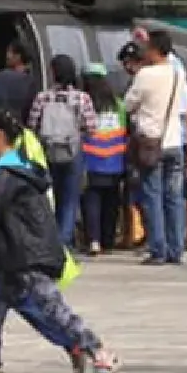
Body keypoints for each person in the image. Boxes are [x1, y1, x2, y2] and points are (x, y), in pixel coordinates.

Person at [0, 112, 120, 373]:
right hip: (17, 256)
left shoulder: (4, 174)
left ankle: (98, 352)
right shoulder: (20, 168)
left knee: (55, 311)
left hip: (27, 257)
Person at [124, 29, 187, 266]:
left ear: (154, 50)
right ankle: (176, 249)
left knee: (152, 196)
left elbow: (128, 104)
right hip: (175, 141)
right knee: (174, 197)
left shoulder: (145, 75)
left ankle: (158, 249)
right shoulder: (178, 73)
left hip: (151, 143)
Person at [28, 55, 95, 248]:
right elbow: (91, 127)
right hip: (73, 151)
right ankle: (64, 242)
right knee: (70, 198)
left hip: (48, 151)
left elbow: (33, 125)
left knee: (51, 196)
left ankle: (51, 240)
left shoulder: (42, 97)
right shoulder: (82, 98)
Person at [78, 63, 128, 258]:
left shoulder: (85, 104)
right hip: (115, 161)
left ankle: (93, 240)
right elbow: (125, 132)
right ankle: (108, 239)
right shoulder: (118, 105)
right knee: (111, 201)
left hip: (91, 160)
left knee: (91, 200)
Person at [0, 40, 37, 124]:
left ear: (18, 56)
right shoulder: (31, 82)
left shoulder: (3, 78)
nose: (7, 56)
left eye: (9, 52)